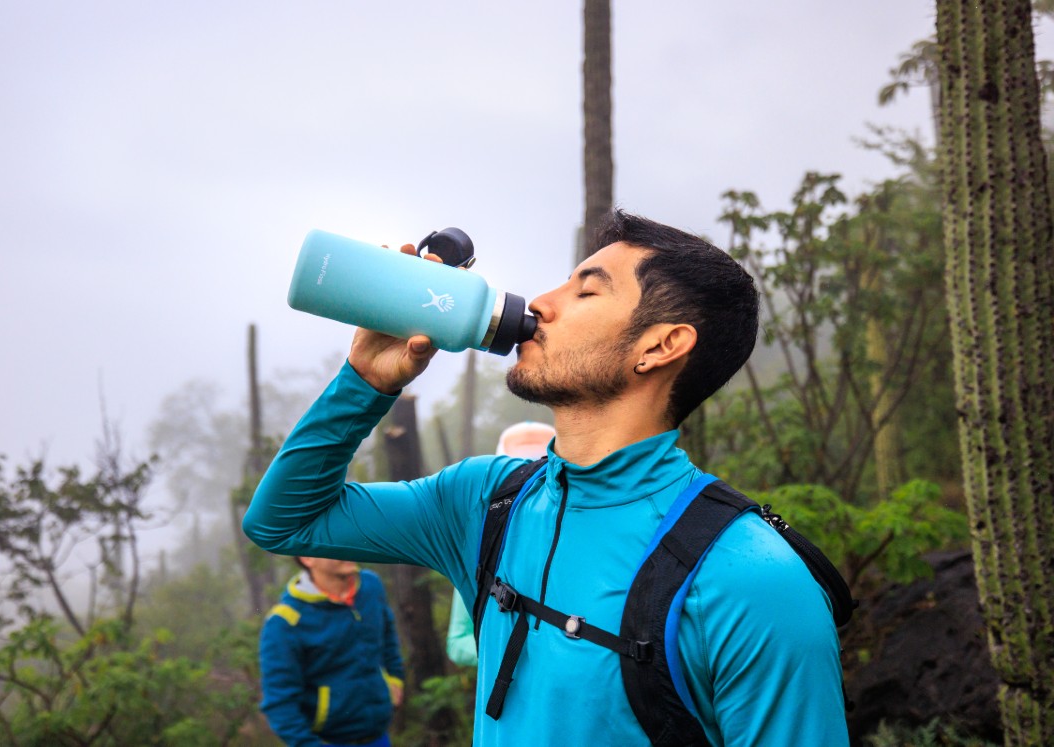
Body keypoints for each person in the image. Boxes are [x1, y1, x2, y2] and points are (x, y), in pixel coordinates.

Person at [246, 209, 849, 746]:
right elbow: (287, 522)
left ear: (660, 346)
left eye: (586, 291)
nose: (539, 302)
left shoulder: (752, 581)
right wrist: (365, 380)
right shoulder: (486, 501)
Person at [259, 556, 405, 747]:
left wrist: (395, 678)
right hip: (329, 741)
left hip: (378, 736)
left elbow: (388, 636)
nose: (346, 548)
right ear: (307, 558)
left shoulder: (371, 585)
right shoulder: (285, 622)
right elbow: (280, 703)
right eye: (332, 543)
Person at [446, 421, 556, 668]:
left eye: (540, 473)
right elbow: (457, 641)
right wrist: (515, 654)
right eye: (520, 476)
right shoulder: (482, 550)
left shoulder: (570, 541)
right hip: (502, 695)